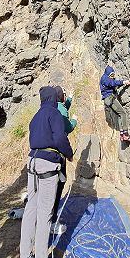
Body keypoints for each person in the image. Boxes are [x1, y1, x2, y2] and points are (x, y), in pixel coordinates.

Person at [15, 86, 73, 258]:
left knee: (30, 213)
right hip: (48, 165)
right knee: (44, 218)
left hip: (32, 164)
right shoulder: (54, 113)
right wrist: (70, 153)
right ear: (54, 98)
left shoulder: (36, 115)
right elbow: (59, 138)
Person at [51, 85, 77, 230]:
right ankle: (52, 221)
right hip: (57, 155)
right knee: (58, 185)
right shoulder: (60, 110)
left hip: (42, 156)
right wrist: (74, 120)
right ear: (60, 96)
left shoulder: (52, 107)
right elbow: (67, 127)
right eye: (64, 94)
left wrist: (70, 98)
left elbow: (63, 106)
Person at [100, 65, 130, 142]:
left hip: (108, 99)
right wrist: (124, 82)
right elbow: (112, 83)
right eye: (111, 75)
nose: (112, 76)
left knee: (119, 115)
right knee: (123, 113)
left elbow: (113, 84)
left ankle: (122, 135)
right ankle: (126, 134)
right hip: (110, 98)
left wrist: (122, 84)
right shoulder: (105, 78)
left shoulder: (105, 77)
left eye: (113, 75)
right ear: (108, 74)